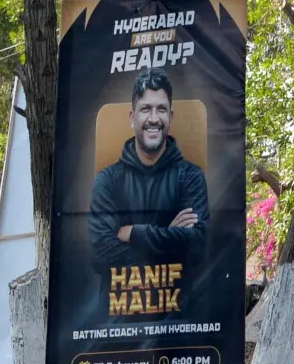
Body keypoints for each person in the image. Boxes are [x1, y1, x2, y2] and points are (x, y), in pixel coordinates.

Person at [88, 70, 209, 274]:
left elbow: (196, 247)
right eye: (146, 109)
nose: (154, 119)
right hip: (118, 305)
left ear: (170, 117)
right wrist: (170, 236)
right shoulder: (107, 181)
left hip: (181, 304)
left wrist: (135, 234)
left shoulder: (191, 177)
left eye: (161, 109)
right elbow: (100, 256)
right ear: (132, 117)